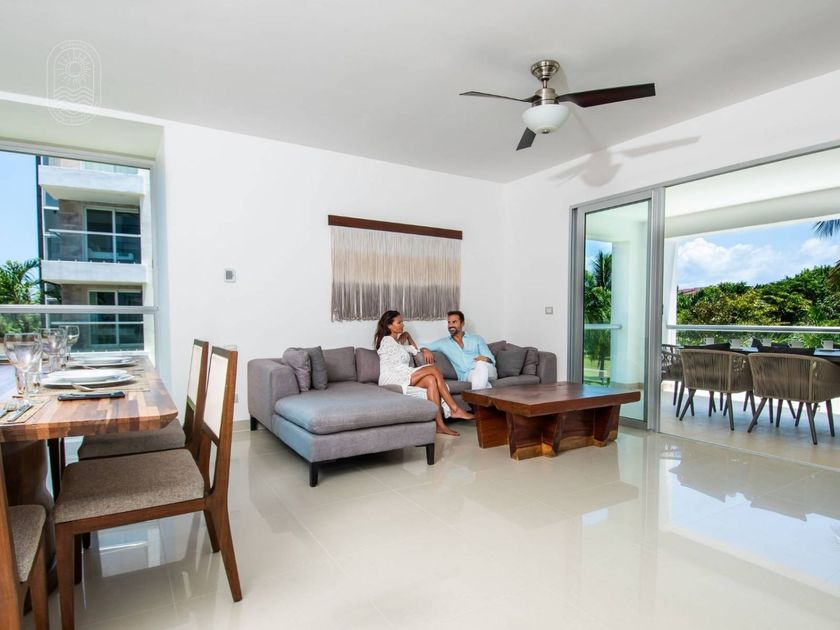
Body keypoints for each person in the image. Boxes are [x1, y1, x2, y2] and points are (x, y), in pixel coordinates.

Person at [374, 310, 474, 436]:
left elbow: (415, 350)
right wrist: (403, 338)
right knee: (434, 369)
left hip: (402, 375)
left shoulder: (399, 346)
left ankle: (439, 425)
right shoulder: (386, 340)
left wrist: (409, 337)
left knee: (431, 380)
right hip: (392, 377)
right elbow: (396, 349)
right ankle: (454, 408)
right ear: (389, 325)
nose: (403, 324)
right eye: (399, 322)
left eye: (402, 322)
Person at [421, 310, 497, 389]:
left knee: (480, 364)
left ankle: (476, 395)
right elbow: (420, 346)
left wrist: (486, 359)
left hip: (488, 370)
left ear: (462, 323)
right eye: (449, 322)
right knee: (480, 380)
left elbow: (492, 360)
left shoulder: (477, 339)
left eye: (454, 322)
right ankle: (483, 394)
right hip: (468, 375)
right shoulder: (443, 343)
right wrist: (425, 350)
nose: (450, 325)